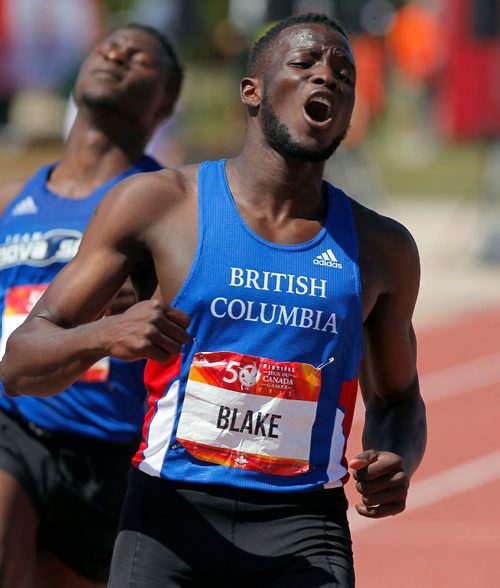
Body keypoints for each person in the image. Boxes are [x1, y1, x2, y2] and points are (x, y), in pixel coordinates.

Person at [1, 13, 426, 587]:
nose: (326, 77)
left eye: (343, 74)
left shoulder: (382, 249)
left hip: (302, 528)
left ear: (350, 110)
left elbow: (398, 400)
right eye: (304, 64)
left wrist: (394, 458)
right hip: (168, 516)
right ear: (252, 91)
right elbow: (21, 362)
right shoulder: (157, 205)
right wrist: (103, 335)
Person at [0, 23, 183, 587]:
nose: (118, 52)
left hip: (121, 454)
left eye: (141, 58)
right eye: (108, 48)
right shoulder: (15, 202)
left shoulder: (172, 205)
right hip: (20, 427)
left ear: (165, 103)